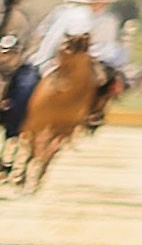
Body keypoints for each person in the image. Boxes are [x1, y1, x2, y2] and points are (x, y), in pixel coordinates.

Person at [18, 32, 103, 183]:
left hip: (91, 60)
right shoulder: (64, 15)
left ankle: (93, 113)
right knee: (25, 85)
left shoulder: (108, 20)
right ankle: (16, 114)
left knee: (104, 82)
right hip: (51, 61)